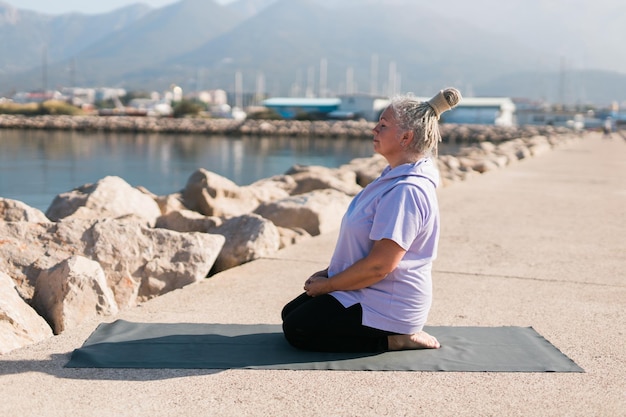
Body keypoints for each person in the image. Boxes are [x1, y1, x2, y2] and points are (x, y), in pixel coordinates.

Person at [281, 87, 462, 352]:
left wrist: (330, 285)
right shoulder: (393, 175)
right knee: (291, 313)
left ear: (406, 138)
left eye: (383, 125)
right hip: (373, 289)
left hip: (390, 302)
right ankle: (388, 329)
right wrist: (329, 274)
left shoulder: (406, 190)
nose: (374, 130)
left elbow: (380, 266)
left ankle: (397, 338)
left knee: (298, 329)